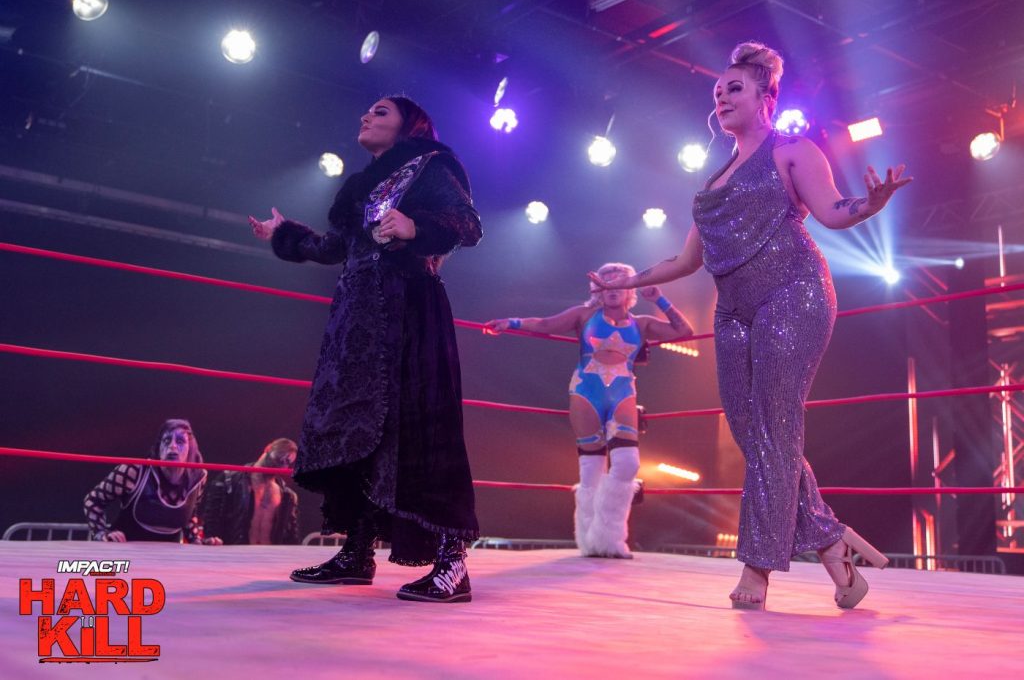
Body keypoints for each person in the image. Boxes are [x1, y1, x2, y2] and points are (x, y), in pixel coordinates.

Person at [590, 42, 911, 610]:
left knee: (775, 429)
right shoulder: (714, 181)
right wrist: (629, 280)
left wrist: (871, 204)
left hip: (794, 293)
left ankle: (757, 568)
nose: (721, 96)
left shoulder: (792, 151)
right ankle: (832, 543)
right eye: (717, 91)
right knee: (753, 433)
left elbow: (833, 211)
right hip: (733, 311)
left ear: (766, 97)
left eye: (734, 88)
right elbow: (685, 261)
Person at [249, 96, 481, 603]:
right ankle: (356, 552)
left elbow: (467, 224)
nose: (365, 116)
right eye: (367, 111)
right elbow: (334, 247)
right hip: (354, 324)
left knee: (422, 428)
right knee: (350, 430)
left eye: (380, 112)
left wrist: (417, 229)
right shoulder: (359, 187)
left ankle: (452, 564)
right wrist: (282, 233)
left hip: (408, 312)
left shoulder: (430, 164)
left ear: (409, 124)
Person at [486, 263, 693, 558]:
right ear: (597, 290)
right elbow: (545, 324)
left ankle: (609, 538)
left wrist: (659, 299)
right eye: (606, 284)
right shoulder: (584, 315)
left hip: (623, 393)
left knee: (627, 464)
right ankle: (590, 542)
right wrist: (511, 322)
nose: (612, 289)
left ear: (629, 290)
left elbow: (684, 331)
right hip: (586, 392)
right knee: (591, 469)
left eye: (618, 284)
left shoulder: (642, 323)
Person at [84, 419, 221, 544]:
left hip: (168, 557)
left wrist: (198, 541)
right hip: (127, 551)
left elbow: (190, 514)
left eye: (180, 441)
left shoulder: (198, 478)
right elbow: (92, 500)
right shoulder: (135, 470)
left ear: (190, 448)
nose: (172, 446)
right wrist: (101, 532)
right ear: (158, 447)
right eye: (166, 440)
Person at [198, 438, 301, 545]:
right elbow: (211, 518)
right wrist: (211, 540)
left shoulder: (288, 496)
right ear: (268, 448)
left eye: (287, 462)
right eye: (279, 456)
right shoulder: (229, 481)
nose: (281, 463)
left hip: (269, 552)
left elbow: (291, 535)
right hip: (236, 550)